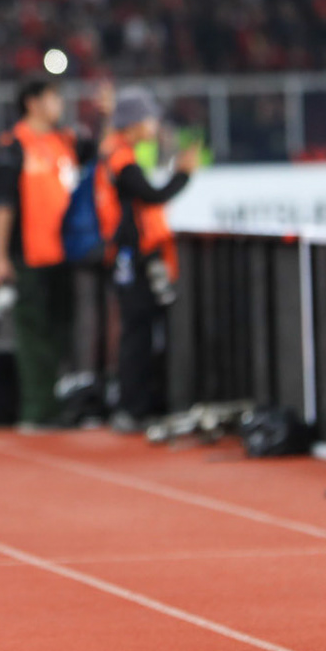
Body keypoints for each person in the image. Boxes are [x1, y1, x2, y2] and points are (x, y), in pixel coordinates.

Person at [100, 89, 200, 431]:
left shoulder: (118, 153)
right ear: (135, 123)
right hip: (130, 257)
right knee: (136, 332)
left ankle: (137, 405)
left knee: (137, 331)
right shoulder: (122, 159)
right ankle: (133, 407)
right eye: (150, 118)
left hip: (127, 255)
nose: (155, 125)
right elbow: (152, 196)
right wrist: (183, 174)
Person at [0, 78, 79, 430]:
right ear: (33, 102)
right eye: (53, 97)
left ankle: (51, 407)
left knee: (59, 334)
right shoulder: (13, 146)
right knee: (33, 335)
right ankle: (36, 411)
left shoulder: (63, 141)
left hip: (64, 256)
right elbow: (2, 205)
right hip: (28, 256)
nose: (60, 104)